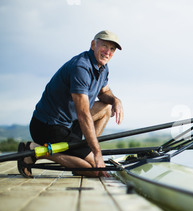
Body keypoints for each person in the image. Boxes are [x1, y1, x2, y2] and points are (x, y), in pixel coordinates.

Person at [17, 30, 124, 178]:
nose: (108, 52)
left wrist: (115, 100)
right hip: (47, 127)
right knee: (94, 170)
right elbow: (83, 114)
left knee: (106, 108)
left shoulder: (103, 67)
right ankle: (34, 150)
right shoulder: (81, 67)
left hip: (69, 124)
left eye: (112, 49)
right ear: (93, 45)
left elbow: (104, 92)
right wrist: (97, 153)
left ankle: (83, 151)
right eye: (104, 46)